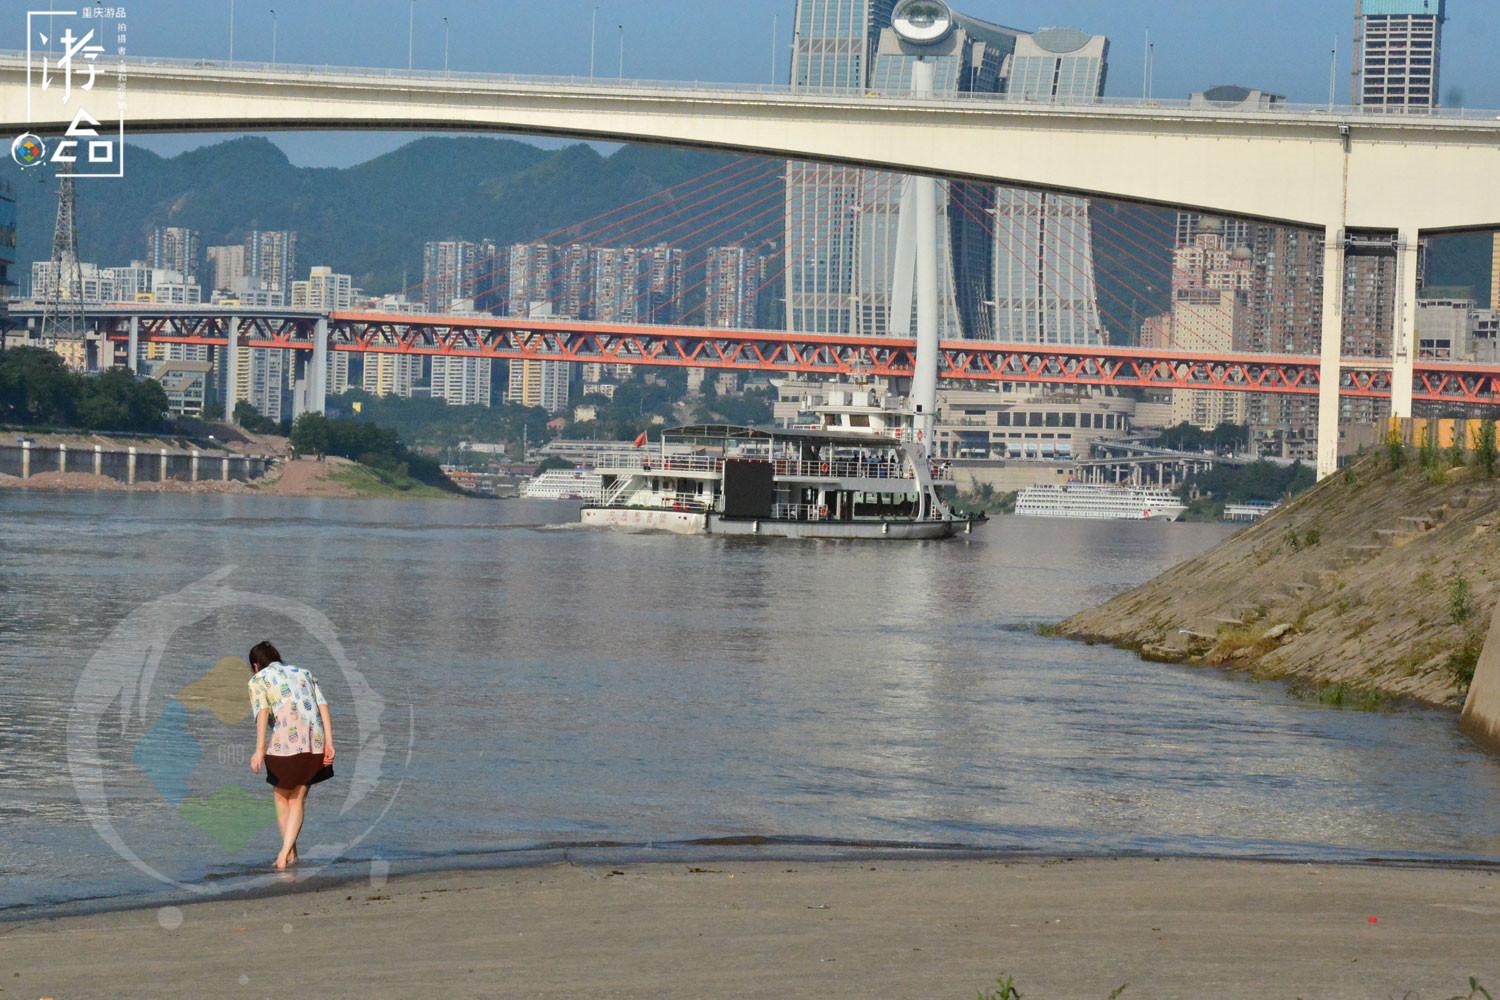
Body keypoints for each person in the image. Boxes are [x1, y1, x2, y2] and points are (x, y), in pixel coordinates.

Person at [246, 640, 335, 870]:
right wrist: (329, 743)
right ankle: (291, 854)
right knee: (297, 796)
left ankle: (284, 855)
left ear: (256, 666)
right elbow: (323, 705)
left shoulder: (258, 680)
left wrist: (259, 749)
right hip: (314, 741)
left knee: (280, 796)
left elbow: (263, 713)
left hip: (284, 744)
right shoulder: (304, 672)